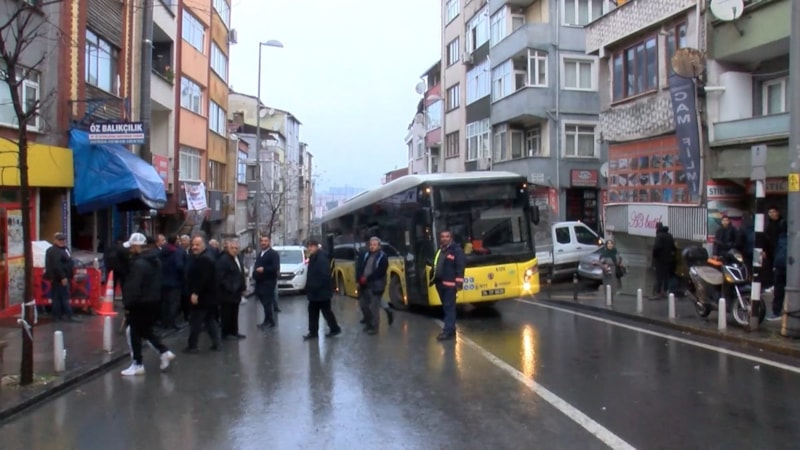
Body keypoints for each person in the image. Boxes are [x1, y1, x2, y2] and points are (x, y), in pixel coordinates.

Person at [120, 233, 175, 376]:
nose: (130, 250)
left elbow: (133, 287)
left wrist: (128, 306)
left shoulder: (138, 264)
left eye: (132, 247)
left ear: (137, 246)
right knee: (145, 330)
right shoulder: (155, 261)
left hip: (139, 303)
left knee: (133, 332)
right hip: (153, 301)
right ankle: (163, 351)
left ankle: (138, 363)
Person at [184, 236, 221, 353]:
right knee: (210, 320)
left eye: (197, 245)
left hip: (203, 297)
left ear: (204, 245)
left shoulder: (204, 259)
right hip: (208, 297)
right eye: (193, 244)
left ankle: (192, 345)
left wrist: (195, 293)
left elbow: (203, 279)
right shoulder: (202, 257)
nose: (194, 247)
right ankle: (217, 343)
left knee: (195, 322)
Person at [430, 230, 465, 341]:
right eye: (442, 236)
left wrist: (459, 284)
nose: (444, 238)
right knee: (446, 307)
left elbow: (460, 268)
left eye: (447, 236)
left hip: (450, 285)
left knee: (449, 308)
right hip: (440, 283)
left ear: (451, 238)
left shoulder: (456, 251)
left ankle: (447, 331)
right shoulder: (441, 250)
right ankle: (451, 329)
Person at [303, 239, 341, 341]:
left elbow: (324, 275)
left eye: (311, 246)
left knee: (325, 312)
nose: (309, 248)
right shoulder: (314, 256)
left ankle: (334, 329)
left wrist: (314, 287)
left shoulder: (321, 258)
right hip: (316, 292)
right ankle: (314, 331)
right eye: (309, 246)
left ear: (316, 247)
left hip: (321, 292)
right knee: (314, 312)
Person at [356, 237, 393, 335]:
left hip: (376, 285)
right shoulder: (367, 254)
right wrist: (360, 279)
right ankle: (368, 324)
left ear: (379, 246)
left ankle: (374, 327)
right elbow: (362, 267)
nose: (372, 247)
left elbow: (380, 272)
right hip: (364, 285)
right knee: (364, 306)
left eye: (374, 245)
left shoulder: (382, 257)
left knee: (374, 308)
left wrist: (367, 278)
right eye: (371, 245)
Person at [44, 232, 78, 322]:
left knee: (58, 297)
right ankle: (68, 315)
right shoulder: (55, 251)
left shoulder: (63, 249)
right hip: (59, 278)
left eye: (63, 239)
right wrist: (62, 277)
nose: (62, 241)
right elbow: (56, 265)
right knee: (63, 297)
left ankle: (58, 315)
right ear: (55, 240)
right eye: (60, 240)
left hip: (61, 277)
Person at [216, 239, 246, 339]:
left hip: (236, 292)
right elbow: (221, 277)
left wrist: (243, 287)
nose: (234, 250)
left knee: (234, 313)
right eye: (232, 248)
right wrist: (230, 287)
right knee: (226, 314)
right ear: (228, 248)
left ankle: (234, 331)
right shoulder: (223, 259)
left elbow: (241, 273)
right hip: (227, 293)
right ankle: (226, 333)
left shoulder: (238, 258)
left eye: (236, 248)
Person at [252, 235, 279, 329]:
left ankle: (269, 321)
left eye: (265, 241)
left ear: (269, 242)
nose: (263, 243)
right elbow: (256, 265)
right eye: (262, 241)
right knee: (264, 302)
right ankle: (269, 320)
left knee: (267, 302)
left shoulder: (273, 254)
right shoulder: (260, 254)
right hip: (259, 282)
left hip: (268, 282)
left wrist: (264, 269)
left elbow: (275, 268)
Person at [768, 220, 788, 321]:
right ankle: (776, 311)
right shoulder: (781, 237)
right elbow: (777, 251)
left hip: (788, 266)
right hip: (780, 266)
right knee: (778, 290)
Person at [651, 222, 676, 299]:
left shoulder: (659, 236)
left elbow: (657, 248)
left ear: (657, 227)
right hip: (668, 260)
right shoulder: (670, 236)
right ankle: (665, 291)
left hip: (660, 260)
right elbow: (673, 248)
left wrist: (655, 256)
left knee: (659, 277)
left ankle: (658, 292)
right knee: (666, 277)